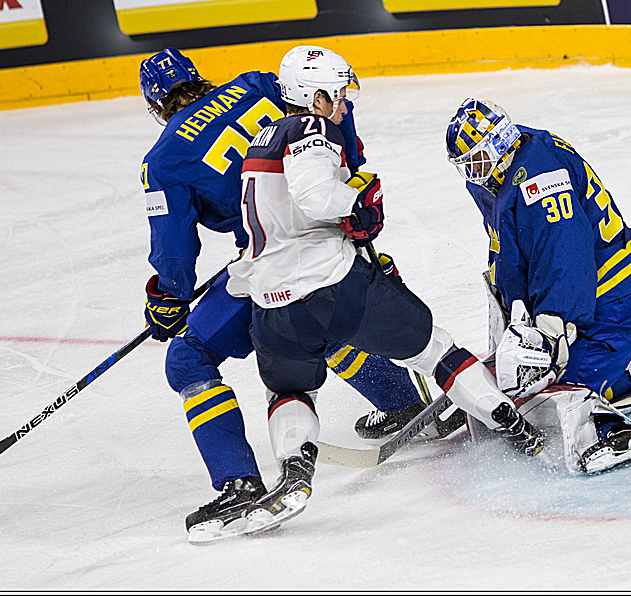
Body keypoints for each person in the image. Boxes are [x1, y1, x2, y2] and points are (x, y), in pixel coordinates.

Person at [224, 47, 546, 535]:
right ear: (315, 96)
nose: (343, 105)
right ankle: (512, 424)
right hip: (332, 285)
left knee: (289, 389)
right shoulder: (311, 129)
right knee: (435, 349)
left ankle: (294, 476)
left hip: (271, 303)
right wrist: (357, 206)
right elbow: (314, 196)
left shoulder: (259, 143)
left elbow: (281, 212)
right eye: (337, 94)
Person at [138, 48, 433, 543]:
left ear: (154, 106)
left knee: (187, 359)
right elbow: (332, 107)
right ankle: (405, 402)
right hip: (336, 241)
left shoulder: (163, 161)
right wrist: (349, 169)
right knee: (323, 319)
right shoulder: (257, 83)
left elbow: (174, 255)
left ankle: (239, 482)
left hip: (270, 264)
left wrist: (166, 298)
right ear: (199, 77)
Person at [444, 98, 631, 474]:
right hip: (584, 296)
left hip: (615, 297)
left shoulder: (540, 178)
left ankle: (609, 428)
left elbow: (565, 257)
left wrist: (553, 326)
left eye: (476, 159)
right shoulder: (501, 169)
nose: (472, 171)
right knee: (522, 379)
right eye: (466, 164)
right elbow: (513, 244)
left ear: (498, 142)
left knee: (549, 396)